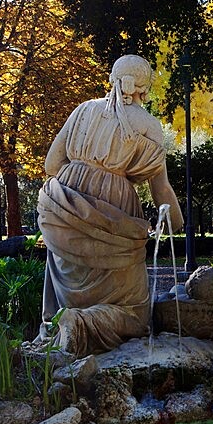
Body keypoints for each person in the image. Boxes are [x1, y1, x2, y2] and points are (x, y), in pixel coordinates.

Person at [35, 55, 184, 356]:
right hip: (115, 205)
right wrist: (176, 223)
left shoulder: (83, 110)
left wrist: (76, 188)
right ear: (144, 87)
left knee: (64, 282)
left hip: (67, 200)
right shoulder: (148, 126)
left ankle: (58, 326)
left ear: (113, 78)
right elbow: (161, 189)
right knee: (135, 314)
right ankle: (81, 323)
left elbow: (52, 163)